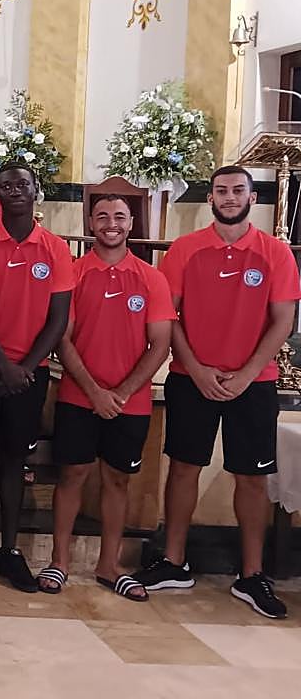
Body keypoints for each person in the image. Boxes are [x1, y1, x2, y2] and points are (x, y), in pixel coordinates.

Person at [135, 166, 300, 619]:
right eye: (222, 191)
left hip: (255, 383)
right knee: (184, 468)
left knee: (251, 476)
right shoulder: (187, 249)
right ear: (211, 198)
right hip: (192, 379)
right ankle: (173, 560)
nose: (230, 198)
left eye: (238, 190)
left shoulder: (274, 253)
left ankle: (251, 574)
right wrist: (194, 366)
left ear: (252, 197)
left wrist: (247, 373)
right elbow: (170, 315)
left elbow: (283, 320)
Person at [41, 195, 173, 600]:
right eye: (102, 217)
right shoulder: (75, 273)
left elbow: (161, 343)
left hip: (129, 403)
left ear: (131, 223)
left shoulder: (151, 278)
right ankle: (59, 561)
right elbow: (62, 338)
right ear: (91, 222)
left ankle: (108, 564)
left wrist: (122, 392)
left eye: (119, 217)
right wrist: (95, 391)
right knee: (72, 476)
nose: (110, 224)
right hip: (79, 398)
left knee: (118, 481)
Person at [0, 162, 72, 592]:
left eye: (23, 184)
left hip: (30, 370)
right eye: (6, 186)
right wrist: (3, 363)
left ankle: (9, 550)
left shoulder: (55, 248)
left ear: (36, 190)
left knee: (14, 460)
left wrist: (24, 367)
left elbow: (58, 317)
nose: (15, 192)